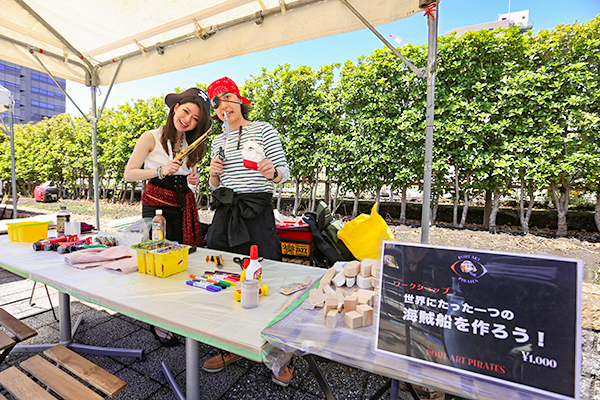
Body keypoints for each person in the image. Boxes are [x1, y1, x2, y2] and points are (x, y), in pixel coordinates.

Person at [202, 76, 296, 386]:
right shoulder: (218, 140)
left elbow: (284, 173)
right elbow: (216, 184)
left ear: (240, 100)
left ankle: (281, 353)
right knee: (225, 276)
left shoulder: (263, 129)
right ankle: (232, 344)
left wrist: (273, 171)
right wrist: (213, 176)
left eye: (228, 97)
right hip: (226, 212)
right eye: (217, 102)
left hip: (256, 212)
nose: (223, 105)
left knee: (267, 275)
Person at [124, 87, 211, 346]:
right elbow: (130, 173)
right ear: (175, 108)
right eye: (186, 112)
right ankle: (159, 321)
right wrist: (160, 170)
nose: (188, 120)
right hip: (157, 207)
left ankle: (178, 313)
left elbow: (190, 178)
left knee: (181, 261)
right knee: (159, 261)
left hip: (183, 206)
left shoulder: (191, 145)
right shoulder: (150, 137)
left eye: (195, 118)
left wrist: (193, 179)